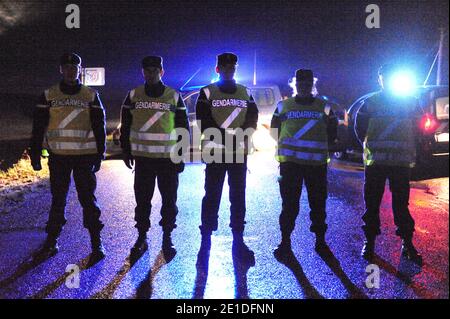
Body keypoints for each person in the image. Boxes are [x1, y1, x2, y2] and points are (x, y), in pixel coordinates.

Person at [30, 53, 106, 263]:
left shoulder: (90, 95)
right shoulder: (49, 95)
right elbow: (38, 127)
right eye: (67, 67)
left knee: (88, 201)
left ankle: (96, 243)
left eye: (75, 67)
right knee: (58, 200)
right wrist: (35, 153)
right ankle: (51, 241)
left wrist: (100, 153)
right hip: (59, 158)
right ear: (61, 69)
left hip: (84, 158)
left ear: (79, 70)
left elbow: (99, 126)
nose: (71, 70)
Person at [120, 56, 189, 261]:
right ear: (143, 72)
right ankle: (142, 236)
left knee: (169, 201)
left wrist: (180, 155)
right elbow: (126, 126)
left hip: (167, 160)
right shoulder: (133, 96)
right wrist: (126, 150)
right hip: (143, 160)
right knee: (142, 201)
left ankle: (167, 237)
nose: (151, 74)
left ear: (162, 72)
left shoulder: (173, 96)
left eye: (155, 70)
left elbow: (182, 127)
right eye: (147, 70)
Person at [355, 64, 422, 264]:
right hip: (376, 163)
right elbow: (359, 130)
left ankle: (407, 243)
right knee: (372, 204)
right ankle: (370, 242)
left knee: (401, 204)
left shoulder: (411, 102)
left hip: (399, 163)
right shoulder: (369, 103)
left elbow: (419, 129)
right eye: (385, 76)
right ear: (380, 79)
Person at [195, 52, 258, 263]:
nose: (229, 69)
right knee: (212, 194)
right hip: (215, 152)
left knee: (238, 195)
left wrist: (241, 136)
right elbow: (204, 121)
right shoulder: (207, 92)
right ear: (217, 69)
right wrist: (229, 137)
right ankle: (206, 233)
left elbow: (252, 118)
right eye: (225, 66)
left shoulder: (245, 92)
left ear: (235, 69)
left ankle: (238, 233)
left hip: (238, 153)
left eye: (233, 66)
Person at [270, 69, 337, 260]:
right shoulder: (283, 106)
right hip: (291, 165)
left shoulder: (324, 106)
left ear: (312, 84)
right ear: (295, 84)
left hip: (315, 165)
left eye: (308, 84)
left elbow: (333, 131)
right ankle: (285, 241)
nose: (304, 86)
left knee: (318, 204)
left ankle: (320, 240)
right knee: (289, 205)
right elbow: (274, 131)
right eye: (301, 83)